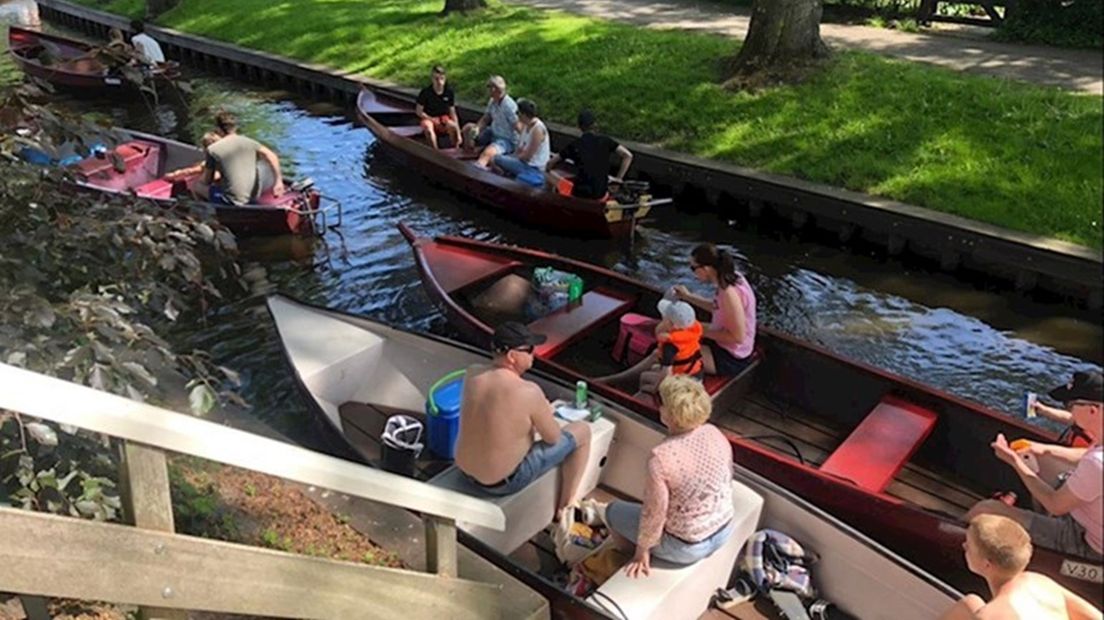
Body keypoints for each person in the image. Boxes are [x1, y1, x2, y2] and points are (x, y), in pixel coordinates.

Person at [454, 322, 592, 513]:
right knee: (582, 431)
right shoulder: (529, 391)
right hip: (501, 484)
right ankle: (566, 506)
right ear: (512, 356)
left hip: (465, 473)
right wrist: (542, 409)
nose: (533, 354)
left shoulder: (473, 373)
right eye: (529, 350)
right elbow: (553, 438)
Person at [966, 371, 1103, 562]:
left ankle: (950, 536)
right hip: (1084, 517)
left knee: (984, 510)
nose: (1069, 411)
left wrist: (1014, 461)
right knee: (1035, 458)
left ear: (1093, 410)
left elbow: (1055, 505)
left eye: (1070, 405)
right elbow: (1085, 456)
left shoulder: (1097, 464)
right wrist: (1044, 449)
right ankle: (1036, 520)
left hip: (1086, 543)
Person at [608, 375, 735, 578]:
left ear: (670, 416)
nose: (659, 408)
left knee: (612, 511)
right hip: (724, 529)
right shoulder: (714, 433)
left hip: (687, 546)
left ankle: (625, 560)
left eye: (662, 404)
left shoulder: (662, 457)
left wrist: (642, 552)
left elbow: (655, 511)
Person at [939, 515, 1101, 620]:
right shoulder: (1039, 583)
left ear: (987, 564)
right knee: (970, 603)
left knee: (969, 605)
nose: (964, 545)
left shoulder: (992, 615)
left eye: (969, 546)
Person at [671, 244, 756, 376]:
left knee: (669, 352)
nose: (693, 273)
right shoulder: (732, 278)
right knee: (673, 335)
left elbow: (738, 337)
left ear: (706, 268)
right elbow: (717, 307)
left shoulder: (728, 293)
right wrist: (688, 297)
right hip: (723, 344)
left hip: (731, 357)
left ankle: (628, 380)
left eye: (693, 268)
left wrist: (698, 330)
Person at [597, 297, 703, 402]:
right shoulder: (688, 334)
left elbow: (667, 375)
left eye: (664, 317)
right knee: (652, 369)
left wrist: (653, 389)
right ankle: (616, 383)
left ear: (670, 324)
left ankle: (635, 401)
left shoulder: (670, 346)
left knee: (645, 378)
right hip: (695, 376)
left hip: (683, 385)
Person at [195, 111, 285, 205]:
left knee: (198, 186)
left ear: (218, 129)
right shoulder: (250, 142)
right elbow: (272, 155)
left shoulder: (212, 149)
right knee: (262, 165)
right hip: (253, 196)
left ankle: (210, 213)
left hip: (231, 201)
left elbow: (207, 180)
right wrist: (278, 181)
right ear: (235, 127)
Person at [545, 109, 633, 200]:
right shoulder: (606, 141)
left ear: (579, 126)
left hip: (581, 194)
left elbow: (550, 164)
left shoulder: (575, 145)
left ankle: (551, 199)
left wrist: (549, 172)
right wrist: (618, 179)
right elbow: (628, 155)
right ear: (595, 125)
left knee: (546, 174)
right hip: (600, 193)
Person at [461, 75, 517, 169]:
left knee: (488, 152)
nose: (488, 91)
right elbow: (486, 118)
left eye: (489, 87)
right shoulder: (492, 101)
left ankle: (479, 166)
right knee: (468, 128)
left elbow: (518, 126)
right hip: (493, 132)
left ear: (495, 89)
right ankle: (467, 154)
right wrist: (477, 129)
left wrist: (520, 148)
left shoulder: (509, 106)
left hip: (506, 139)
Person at [492, 98, 549, 188]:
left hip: (533, 167)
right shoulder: (525, 126)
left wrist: (514, 158)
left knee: (497, 159)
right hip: (522, 162)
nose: (517, 116)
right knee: (497, 159)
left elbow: (527, 156)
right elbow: (519, 148)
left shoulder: (537, 129)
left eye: (518, 113)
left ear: (524, 114)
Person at [415, 65, 461, 150]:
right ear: (432, 79)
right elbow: (418, 111)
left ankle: (455, 149)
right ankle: (436, 152)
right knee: (428, 128)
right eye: (436, 79)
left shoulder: (449, 92)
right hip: (429, 118)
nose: (439, 82)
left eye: (442, 79)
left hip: (443, 118)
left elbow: (452, 112)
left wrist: (458, 133)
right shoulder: (425, 92)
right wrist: (432, 119)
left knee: (453, 127)